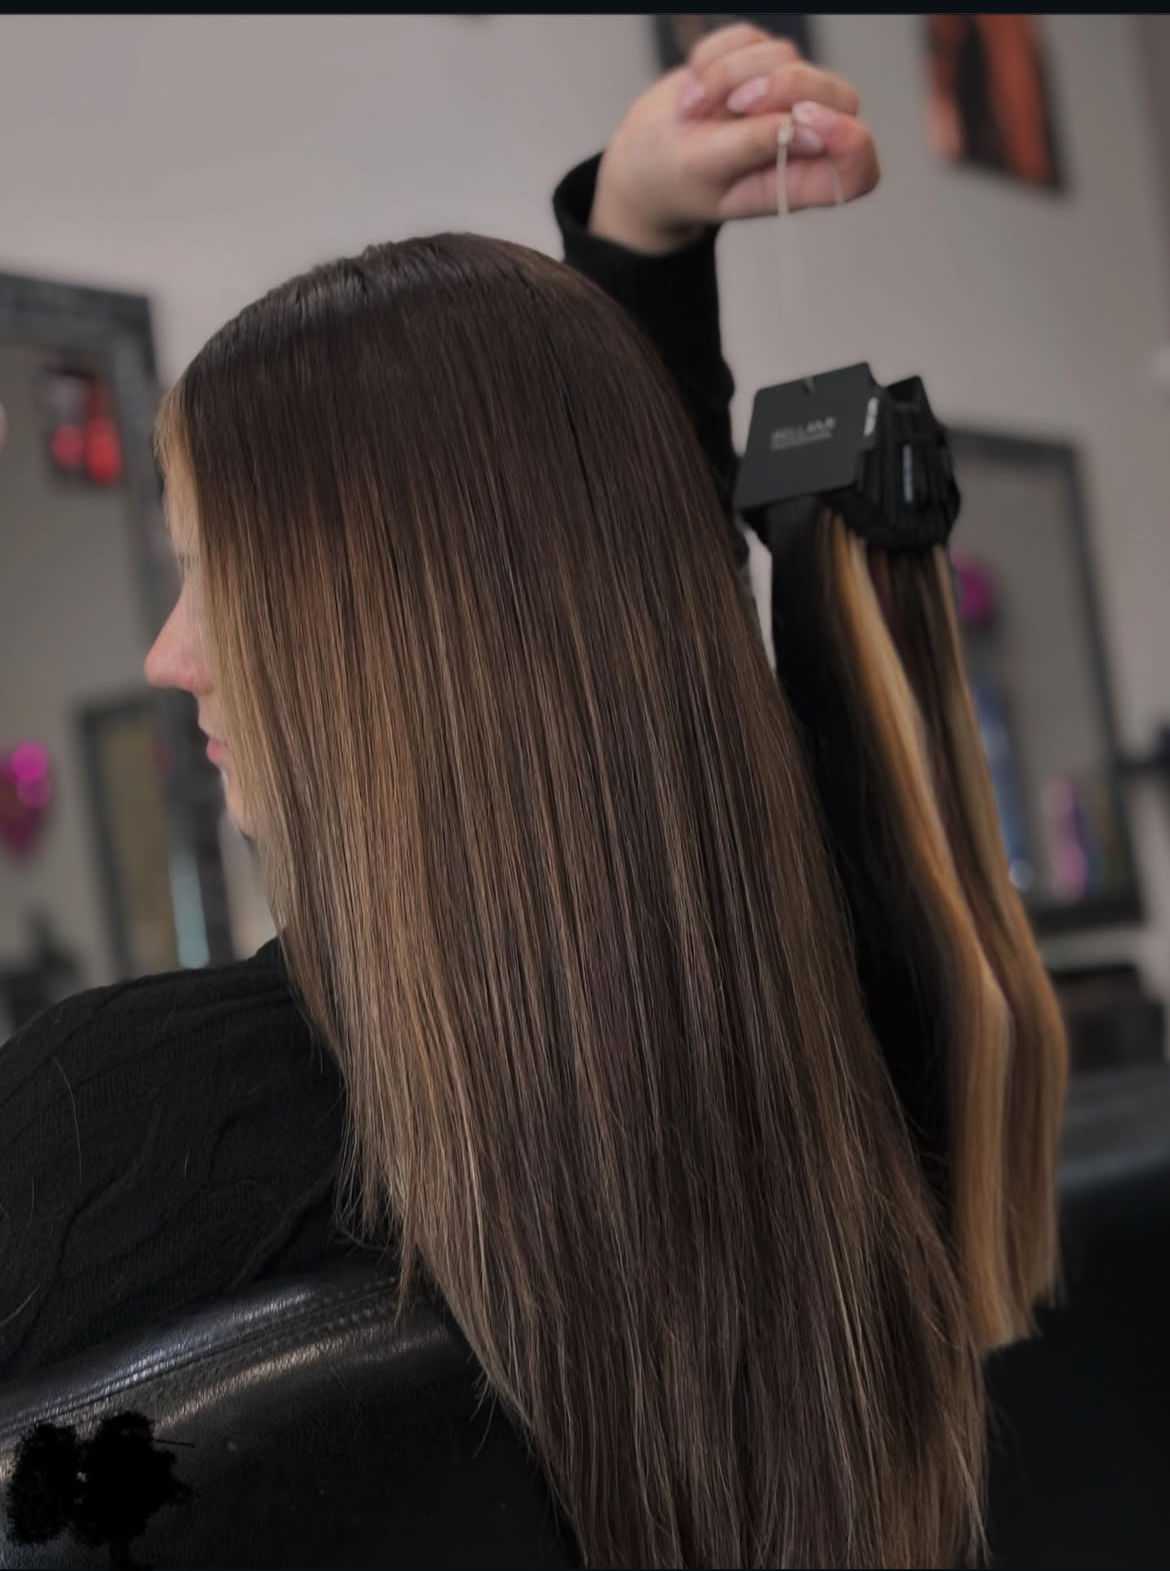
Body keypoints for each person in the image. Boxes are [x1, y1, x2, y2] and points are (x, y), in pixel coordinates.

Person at [0, 26, 986, 1567]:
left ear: (382, 644)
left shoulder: (112, 1129)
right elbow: (616, 630)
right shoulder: (826, 1039)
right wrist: (637, 239)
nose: (164, 653)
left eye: (209, 577)